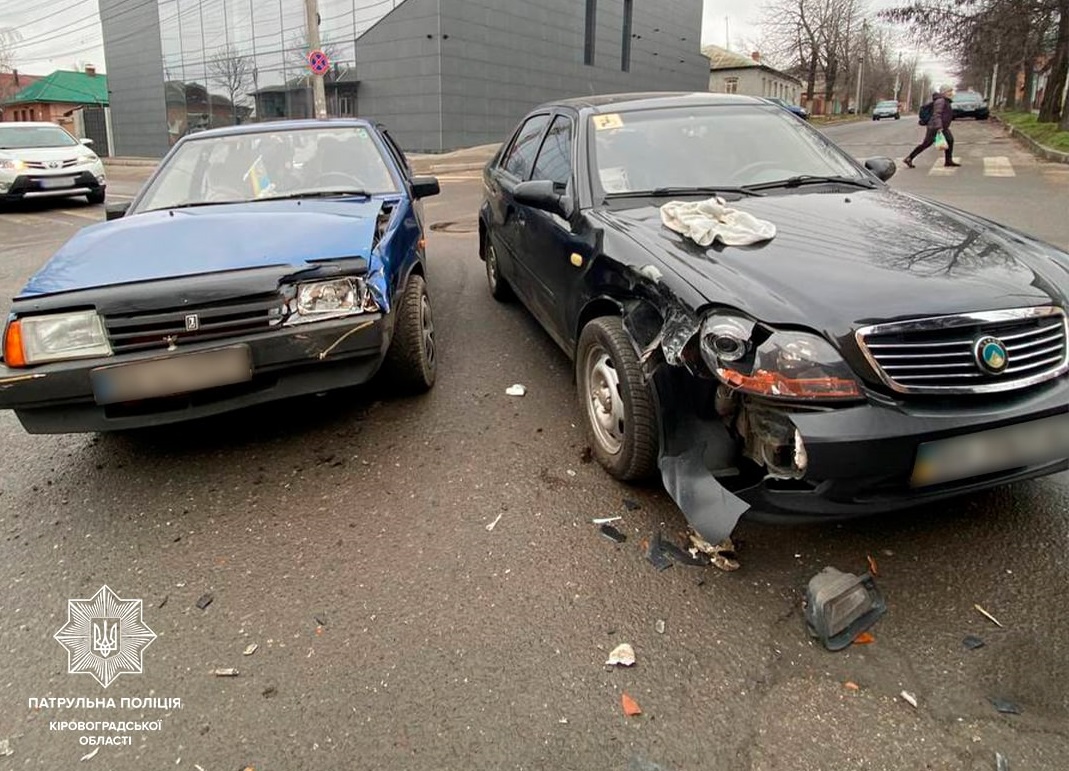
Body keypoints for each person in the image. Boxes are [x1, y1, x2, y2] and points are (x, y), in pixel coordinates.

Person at [903, 84, 960, 168]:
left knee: (950, 140)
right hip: (935, 127)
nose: (951, 93)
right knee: (926, 144)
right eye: (949, 91)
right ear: (944, 92)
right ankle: (909, 158)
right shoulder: (941, 101)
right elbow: (937, 115)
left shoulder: (945, 100)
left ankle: (948, 161)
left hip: (942, 127)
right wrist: (939, 127)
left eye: (951, 91)